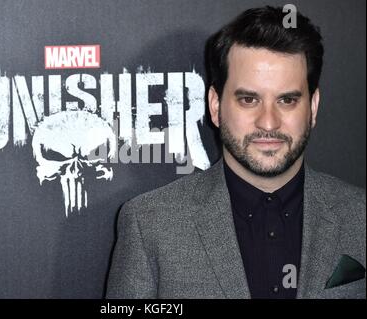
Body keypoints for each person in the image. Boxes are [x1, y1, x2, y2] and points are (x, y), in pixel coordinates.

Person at [106, 6, 365, 299]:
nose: (268, 122)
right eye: (248, 99)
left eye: (287, 100)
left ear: (313, 107)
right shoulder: (150, 224)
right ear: (216, 106)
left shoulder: (361, 217)